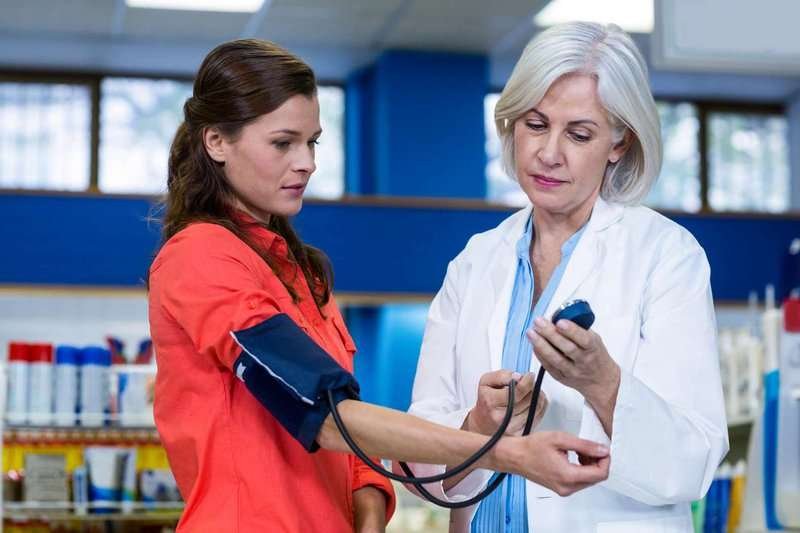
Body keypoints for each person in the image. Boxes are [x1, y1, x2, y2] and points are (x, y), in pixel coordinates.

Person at [147, 38, 613, 533]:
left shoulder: (302, 273)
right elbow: (324, 414)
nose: (306, 162)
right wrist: (507, 453)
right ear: (216, 141)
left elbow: (351, 445)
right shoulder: (199, 257)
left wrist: (368, 513)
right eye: (283, 143)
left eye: (313, 142)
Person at [403, 22, 729, 533]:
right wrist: (478, 427)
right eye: (535, 125)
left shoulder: (666, 256)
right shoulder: (474, 262)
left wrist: (604, 383)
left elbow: (694, 462)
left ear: (620, 142)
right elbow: (418, 453)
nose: (549, 152)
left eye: (579, 134)